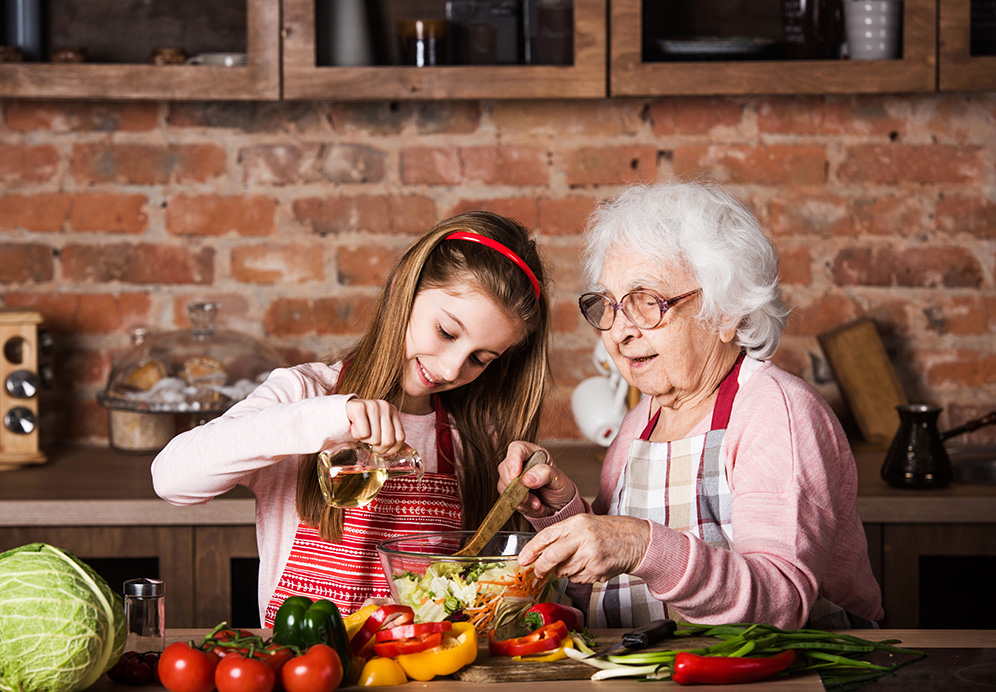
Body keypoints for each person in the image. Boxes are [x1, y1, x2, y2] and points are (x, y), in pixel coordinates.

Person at [498, 181, 883, 630]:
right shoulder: (639, 424)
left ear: (725, 312)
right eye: (609, 305)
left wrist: (642, 546)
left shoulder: (775, 413)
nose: (620, 331)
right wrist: (563, 515)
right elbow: (606, 595)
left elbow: (782, 604)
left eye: (646, 302)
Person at [152, 211, 550, 625]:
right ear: (403, 288)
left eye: (479, 359)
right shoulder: (306, 395)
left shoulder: (471, 439)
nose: (451, 369)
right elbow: (170, 479)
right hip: (307, 673)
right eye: (446, 333)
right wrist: (327, 418)